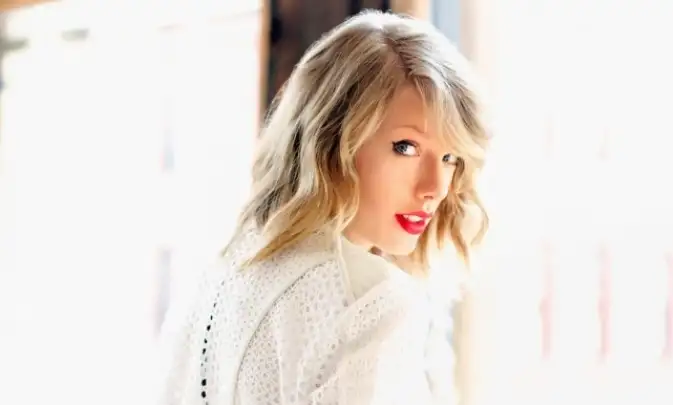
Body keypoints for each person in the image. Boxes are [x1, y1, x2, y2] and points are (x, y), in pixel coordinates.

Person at [156, 9, 489, 405]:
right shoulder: (372, 303)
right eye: (406, 147)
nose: (435, 187)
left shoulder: (223, 273)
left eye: (450, 157)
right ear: (330, 141)